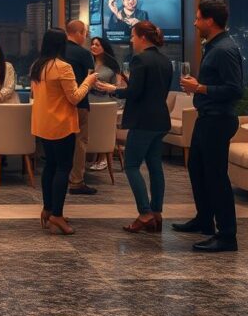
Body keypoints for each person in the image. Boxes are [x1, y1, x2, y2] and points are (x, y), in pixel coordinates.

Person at [176, 0, 244, 253]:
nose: (194, 23)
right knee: (197, 168)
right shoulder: (214, 47)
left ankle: (227, 235)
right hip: (207, 117)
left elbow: (235, 89)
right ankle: (204, 219)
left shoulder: (224, 49)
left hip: (218, 119)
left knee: (216, 177)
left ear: (210, 21)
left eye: (197, 19)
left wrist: (200, 87)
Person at [96, 21, 172, 233]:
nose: (130, 40)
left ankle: (145, 213)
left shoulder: (140, 60)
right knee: (155, 166)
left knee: (131, 166)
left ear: (142, 38)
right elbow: (155, 91)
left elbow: (136, 93)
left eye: (132, 36)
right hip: (160, 120)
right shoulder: (165, 60)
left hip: (143, 121)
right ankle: (157, 212)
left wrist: (113, 89)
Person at [30, 28, 98, 235]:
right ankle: (57, 216)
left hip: (43, 124)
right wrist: (89, 81)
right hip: (61, 125)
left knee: (49, 166)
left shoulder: (37, 67)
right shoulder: (62, 67)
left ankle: (47, 209)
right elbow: (75, 98)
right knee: (63, 168)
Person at [63, 20, 97, 195]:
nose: (85, 36)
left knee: (62, 142)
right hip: (79, 103)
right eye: (85, 33)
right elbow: (89, 80)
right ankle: (76, 180)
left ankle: (62, 177)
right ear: (78, 33)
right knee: (80, 142)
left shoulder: (58, 52)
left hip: (60, 106)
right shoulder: (84, 54)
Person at [87, 35, 123, 170]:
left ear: (104, 48)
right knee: (90, 129)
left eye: (97, 45)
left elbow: (118, 86)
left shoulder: (112, 64)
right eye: (92, 44)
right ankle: (92, 157)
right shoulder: (88, 61)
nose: (93, 47)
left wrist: (107, 87)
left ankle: (103, 158)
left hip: (105, 100)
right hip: (89, 98)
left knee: (102, 129)